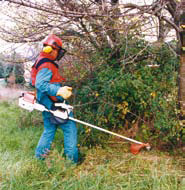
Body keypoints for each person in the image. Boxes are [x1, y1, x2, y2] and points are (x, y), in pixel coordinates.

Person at [34, 34, 78, 163]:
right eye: (58, 50)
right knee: (70, 128)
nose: (58, 54)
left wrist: (60, 88)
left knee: (49, 130)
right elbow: (40, 84)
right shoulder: (47, 64)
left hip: (45, 102)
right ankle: (72, 161)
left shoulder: (41, 61)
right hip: (54, 103)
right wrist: (58, 90)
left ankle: (39, 159)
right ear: (52, 49)